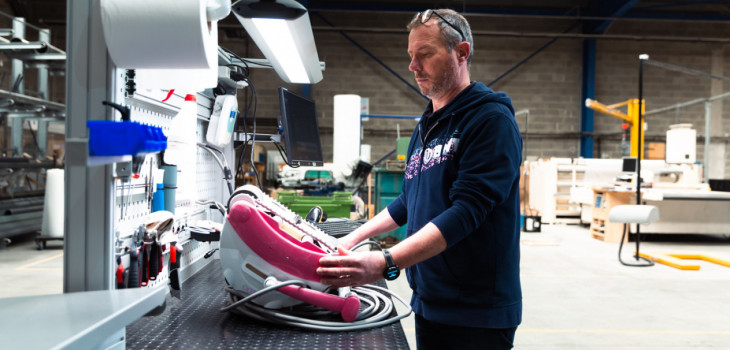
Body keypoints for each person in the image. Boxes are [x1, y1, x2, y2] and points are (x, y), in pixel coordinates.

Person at [317, 9, 522, 349]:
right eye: (411, 56)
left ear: (461, 53)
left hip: (477, 313)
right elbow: (407, 201)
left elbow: (466, 212)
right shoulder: (427, 126)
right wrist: (351, 239)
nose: (413, 66)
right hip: (430, 301)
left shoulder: (491, 121)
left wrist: (385, 262)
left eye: (424, 54)